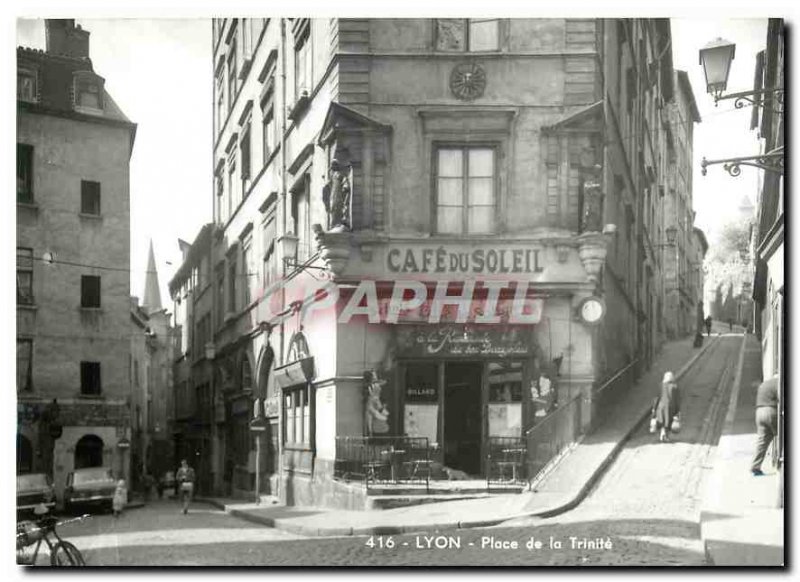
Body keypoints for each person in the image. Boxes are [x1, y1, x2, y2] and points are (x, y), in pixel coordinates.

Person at [751, 375, 779, 476]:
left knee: (762, 441)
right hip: (771, 411)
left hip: (759, 412)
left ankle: (755, 467)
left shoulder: (764, 384)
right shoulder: (778, 383)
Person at [655, 371, 681, 442]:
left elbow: (657, 397)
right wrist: (678, 410)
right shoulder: (675, 387)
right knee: (668, 422)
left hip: (661, 406)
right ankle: (665, 436)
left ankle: (662, 434)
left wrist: (654, 407)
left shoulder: (661, 386)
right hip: (670, 407)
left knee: (662, 420)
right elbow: (677, 399)